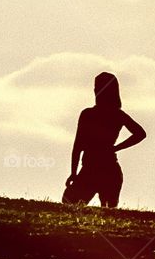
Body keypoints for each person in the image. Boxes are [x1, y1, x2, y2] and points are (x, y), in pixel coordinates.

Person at [63, 71, 146, 207]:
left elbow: (78, 146)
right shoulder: (117, 115)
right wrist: (114, 148)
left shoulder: (89, 114)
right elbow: (140, 134)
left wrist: (74, 173)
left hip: (95, 169)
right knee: (76, 204)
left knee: (71, 203)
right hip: (103, 169)